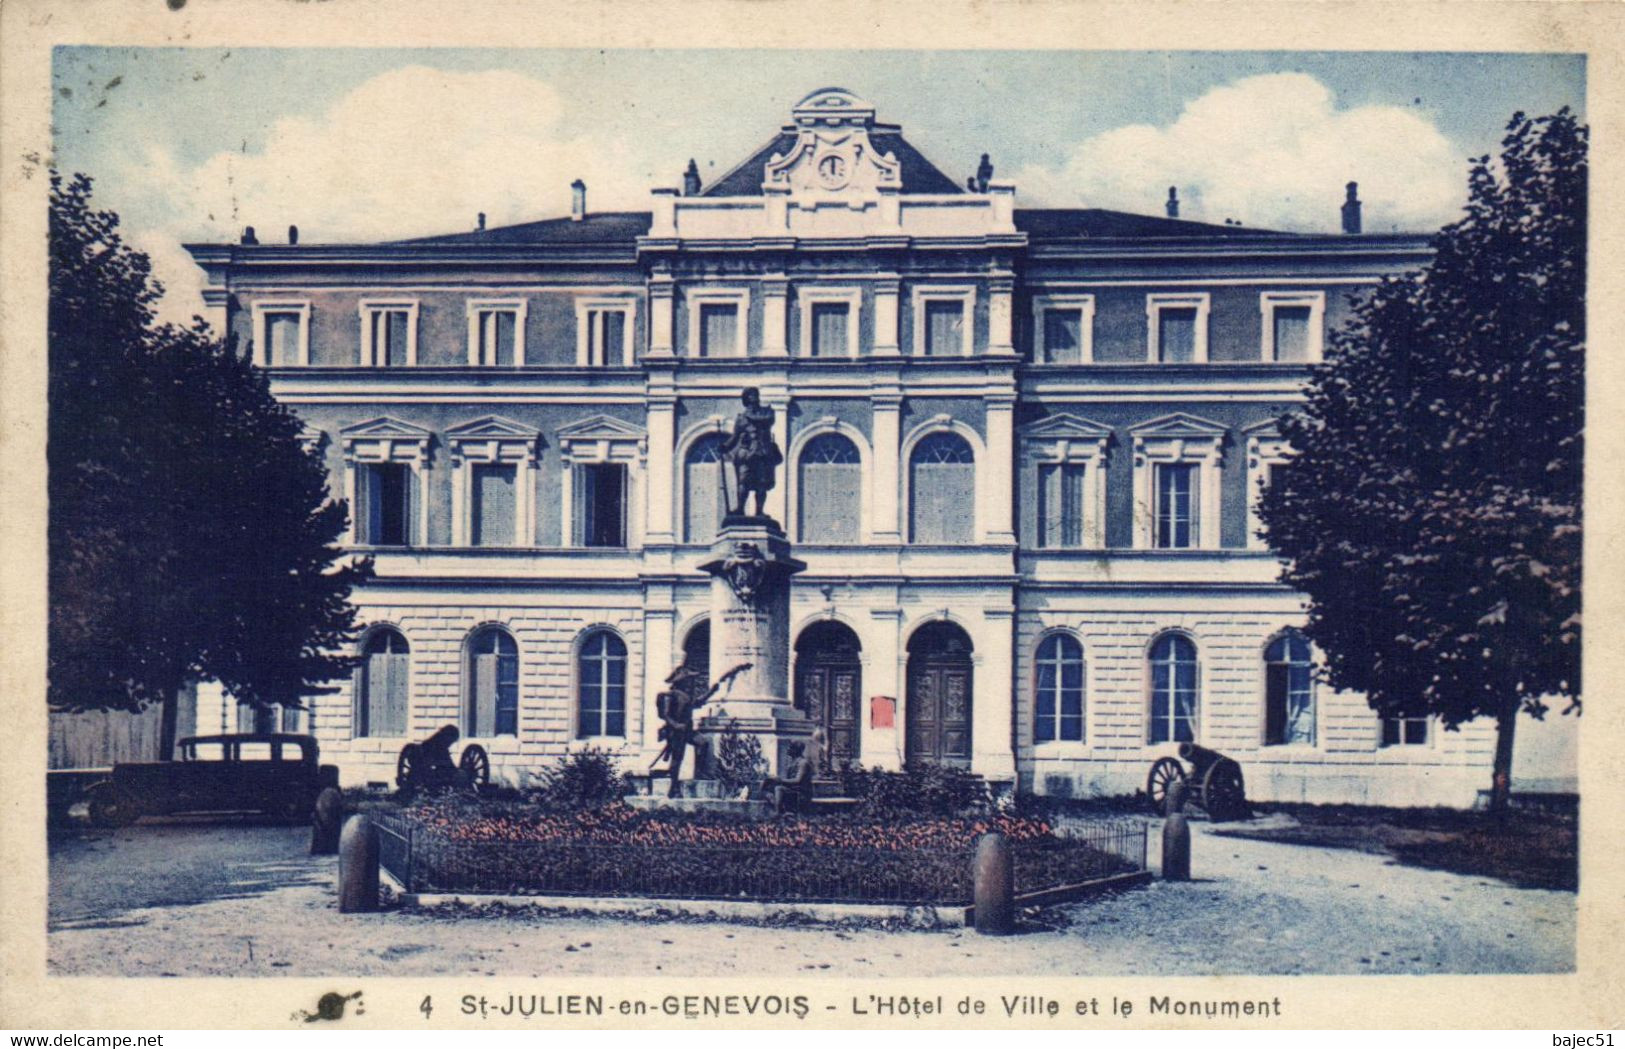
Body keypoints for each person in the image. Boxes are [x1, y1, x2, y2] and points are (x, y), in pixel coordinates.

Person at [719, 388, 782, 518]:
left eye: (755, 395)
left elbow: (766, 420)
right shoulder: (741, 419)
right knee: (743, 482)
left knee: (762, 483)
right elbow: (735, 437)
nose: (754, 397)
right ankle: (740, 509)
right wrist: (725, 446)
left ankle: (759, 511)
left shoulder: (767, 413)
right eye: (750, 395)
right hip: (746, 453)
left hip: (763, 452)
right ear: (746, 399)